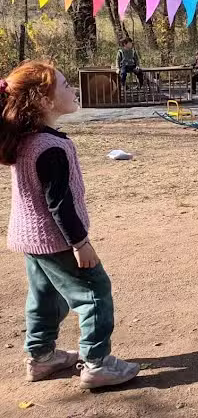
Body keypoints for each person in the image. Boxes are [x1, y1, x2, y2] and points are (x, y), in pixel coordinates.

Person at [0, 61, 140, 388]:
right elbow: (59, 205)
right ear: (43, 101)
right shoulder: (49, 147)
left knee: (46, 296)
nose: (72, 89)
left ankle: (41, 357)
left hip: (30, 239)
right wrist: (81, 243)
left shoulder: (26, 138)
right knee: (95, 292)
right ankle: (97, 363)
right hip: (56, 240)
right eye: (64, 85)